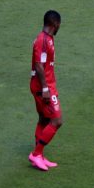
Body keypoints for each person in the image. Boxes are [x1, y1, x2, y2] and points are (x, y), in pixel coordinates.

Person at [29, 10, 63, 171]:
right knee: (56, 121)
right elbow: (39, 65)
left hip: (46, 85)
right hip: (44, 86)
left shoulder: (48, 39)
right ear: (55, 24)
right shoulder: (43, 40)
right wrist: (45, 88)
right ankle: (36, 154)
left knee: (43, 119)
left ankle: (39, 156)